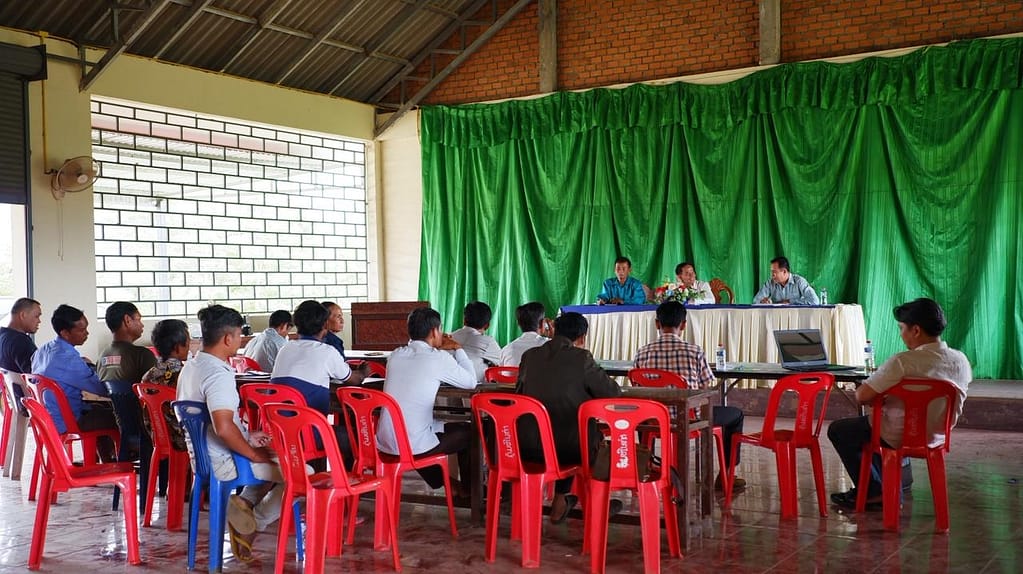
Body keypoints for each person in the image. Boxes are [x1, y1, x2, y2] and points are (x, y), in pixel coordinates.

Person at [827, 298, 972, 510]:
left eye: (901, 328)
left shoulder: (903, 361)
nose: (900, 334)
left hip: (896, 434)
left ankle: (874, 492)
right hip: (937, 434)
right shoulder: (961, 360)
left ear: (915, 330)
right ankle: (880, 488)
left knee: (840, 430)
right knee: (868, 429)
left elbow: (861, 396)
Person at [176, 304, 283, 562]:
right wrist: (253, 454)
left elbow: (216, 424)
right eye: (238, 335)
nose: (239, 340)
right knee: (301, 472)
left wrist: (246, 437)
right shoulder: (218, 374)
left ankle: (244, 505)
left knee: (269, 457)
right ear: (228, 338)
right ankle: (252, 525)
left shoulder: (190, 367)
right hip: (225, 463)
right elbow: (223, 428)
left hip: (202, 461)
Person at [516, 311, 622, 523]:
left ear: (553, 330)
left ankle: (560, 500)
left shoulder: (530, 356)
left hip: (526, 447)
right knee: (586, 436)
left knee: (565, 427)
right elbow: (612, 394)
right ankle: (597, 502)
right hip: (570, 451)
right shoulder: (581, 358)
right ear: (582, 339)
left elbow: (519, 394)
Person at [632, 301, 745, 489]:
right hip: (691, 420)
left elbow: (638, 386)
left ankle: (647, 466)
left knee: (642, 414)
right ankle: (726, 475)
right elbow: (705, 387)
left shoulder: (642, 353)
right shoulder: (694, 352)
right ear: (684, 325)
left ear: (656, 324)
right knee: (736, 416)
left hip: (654, 420)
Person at [376, 307, 477, 497]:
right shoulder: (438, 358)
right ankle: (471, 494)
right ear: (434, 331)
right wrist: (458, 348)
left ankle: (448, 484)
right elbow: (471, 382)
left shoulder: (396, 355)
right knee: (469, 432)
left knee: (426, 430)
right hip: (411, 445)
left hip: (385, 442)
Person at [271, 300, 363, 467]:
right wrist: (364, 371)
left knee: (316, 426)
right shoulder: (327, 352)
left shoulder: (285, 349)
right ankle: (346, 485)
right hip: (308, 433)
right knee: (355, 438)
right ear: (324, 326)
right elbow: (353, 379)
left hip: (280, 432)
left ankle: (315, 480)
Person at [31, 304, 117, 459]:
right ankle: (122, 460)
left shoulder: (44, 349)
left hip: (48, 418)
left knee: (98, 409)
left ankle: (103, 461)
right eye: (81, 330)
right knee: (120, 417)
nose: (87, 333)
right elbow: (101, 388)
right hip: (68, 421)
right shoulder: (68, 359)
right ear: (65, 333)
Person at [141, 319, 191, 453]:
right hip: (183, 440)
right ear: (177, 347)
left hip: (157, 437)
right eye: (187, 343)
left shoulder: (147, 376)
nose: (189, 347)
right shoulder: (184, 376)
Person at [97, 301, 157, 384]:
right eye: (139, 319)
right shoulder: (142, 355)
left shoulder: (102, 356)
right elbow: (154, 389)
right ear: (127, 320)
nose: (142, 325)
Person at [451, 301, 503, 381]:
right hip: (475, 389)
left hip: (445, 387)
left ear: (464, 320)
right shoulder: (488, 342)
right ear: (487, 325)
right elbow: (502, 364)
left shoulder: (450, 337)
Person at [499, 302, 553, 367]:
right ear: (542, 323)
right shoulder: (551, 346)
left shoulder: (506, 350)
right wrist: (554, 338)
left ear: (518, 324)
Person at [752, 256, 820, 305]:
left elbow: (814, 301)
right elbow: (755, 301)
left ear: (784, 271)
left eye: (774, 272)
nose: (772, 275)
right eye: (771, 272)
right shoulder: (770, 283)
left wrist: (790, 302)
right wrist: (762, 302)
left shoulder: (799, 281)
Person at [0, 297, 42, 374]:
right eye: (36, 316)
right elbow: (36, 377)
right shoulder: (21, 341)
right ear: (23, 315)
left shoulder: (2, 336)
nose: (39, 321)